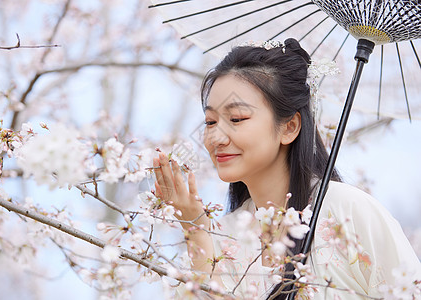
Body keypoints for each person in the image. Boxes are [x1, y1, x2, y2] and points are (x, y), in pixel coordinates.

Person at [153, 38, 421, 299]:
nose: (216, 138)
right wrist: (196, 231)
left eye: (236, 118)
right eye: (210, 122)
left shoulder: (348, 212)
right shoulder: (224, 236)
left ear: (290, 127)